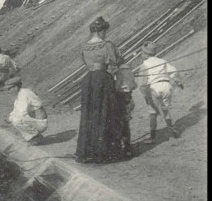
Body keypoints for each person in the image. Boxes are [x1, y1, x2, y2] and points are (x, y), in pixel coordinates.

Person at [76, 17, 126, 164]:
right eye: (105, 31)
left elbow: (85, 62)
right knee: (107, 112)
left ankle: (87, 150)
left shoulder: (84, 46)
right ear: (101, 31)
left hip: (88, 80)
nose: (106, 34)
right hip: (103, 80)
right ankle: (104, 151)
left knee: (88, 114)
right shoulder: (107, 44)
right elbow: (115, 61)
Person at [137, 41, 184, 144]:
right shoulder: (162, 61)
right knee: (166, 110)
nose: (141, 55)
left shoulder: (144, 65)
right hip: (166, 86)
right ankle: (171, 133)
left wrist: (145, 95)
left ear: (146, 54)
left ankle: (152, 137)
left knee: (153, 112)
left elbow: (142, 83)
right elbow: (174, 72)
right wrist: (178, 82)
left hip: (154, 88)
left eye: (142, 53)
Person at [4, 77, 48, 145]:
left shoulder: (24, 94)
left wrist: (10, 118)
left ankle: (36, 137)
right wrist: (10, 116)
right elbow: (16, 109)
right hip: (35, 120)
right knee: (15, 119)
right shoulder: (20, 94)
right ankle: (34, 136)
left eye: (9, 89)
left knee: (16, 120)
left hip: (40, 122)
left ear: (15, 87)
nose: (8, 91)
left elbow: (22, 112)